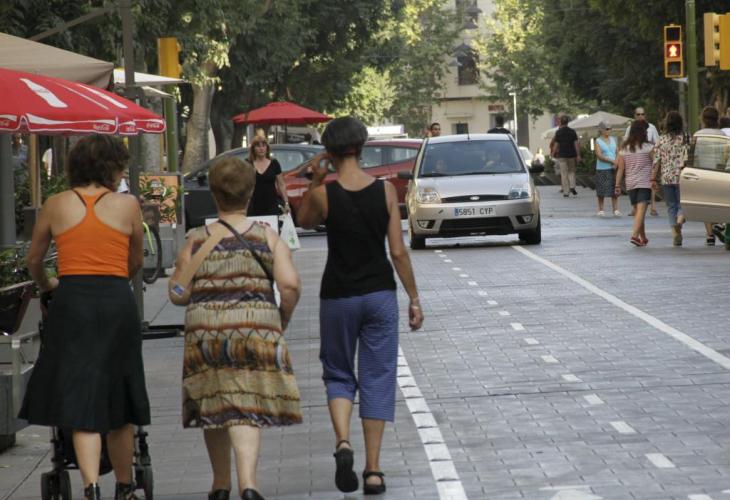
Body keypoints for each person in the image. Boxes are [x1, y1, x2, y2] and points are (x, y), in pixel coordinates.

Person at [296, 116, 423, 496]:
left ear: (329, 151)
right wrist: (414, 298)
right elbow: (397, 252)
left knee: (337, 373)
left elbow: (303, 221)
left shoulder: (324, 194)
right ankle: (373, 471)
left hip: (338, 295)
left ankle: (342, 442)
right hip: (379, 295)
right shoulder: (385, 192)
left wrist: (316, 179)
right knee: (378, 377)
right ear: (363, 147)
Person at [19, 135, 151, 500]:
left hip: (72, 301)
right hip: (115, 301)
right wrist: (115, 280)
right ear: (111, 167)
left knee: (80, 399)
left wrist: (48, 283)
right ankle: (124, 486)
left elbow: (34, 259)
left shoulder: (56, 204)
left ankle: (90, 487)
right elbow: (136, 259)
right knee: (119, 398)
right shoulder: (127, 205)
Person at [169, 157, 302, 500]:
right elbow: (289, 285)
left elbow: (177, 294)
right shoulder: (267, 237)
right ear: (250, 192)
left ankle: (220, 484)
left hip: (206, 334)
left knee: (214, 403)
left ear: (214, 194)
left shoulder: (196, 240)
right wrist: (281, 319)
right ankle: (249, 484)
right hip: (254, 330)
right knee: (246, 404)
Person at [651, 111, 689, 246]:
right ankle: (679, 222)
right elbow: (690, 157)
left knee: (671, 206)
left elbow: (656, 161)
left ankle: (675, 234)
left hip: (666, 178)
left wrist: (653, 179)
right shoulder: (686, 138)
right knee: (683, 204)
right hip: (682, 177)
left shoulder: (661, 140)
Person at [615, 121, 654, 246]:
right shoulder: (648, 148)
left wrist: (617, 185)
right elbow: (655, 163)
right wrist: (655, 178)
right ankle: (634, 236)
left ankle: (643, 237)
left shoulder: (624, 149)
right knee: (641, 210)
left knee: (638, 212)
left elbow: (620, 169)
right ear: (642, 132)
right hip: (644, 183)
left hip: (630, 184)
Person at [693, 106, 727, 246]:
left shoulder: (698, 135)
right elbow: (726, 154)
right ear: (717, 119)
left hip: (702, 173)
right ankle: (720, 224)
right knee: (721, 203)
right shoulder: (722, 135)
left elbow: (693, 156)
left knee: (705, 205)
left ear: (703, 119)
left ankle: (709, 235)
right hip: (719, 173)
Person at [625, 107, 660, 216]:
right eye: (638, 114)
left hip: (647, 156)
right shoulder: (630, 128)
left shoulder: (651, 127)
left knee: (650, 181)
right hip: (635, 157)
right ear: (635, 116)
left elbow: (657, 142)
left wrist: (652, 151)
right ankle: (635, 207)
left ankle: (653, 206)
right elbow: (626, 142)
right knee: (634, 183)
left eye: (643, 114)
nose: (641, 116)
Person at [247, 135, 289, 217]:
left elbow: (281, 185)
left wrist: (286, 203)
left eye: (263, 146)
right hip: (253, 205)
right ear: (253, 149)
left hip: (271, 205)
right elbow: (244, 185)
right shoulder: (248, 164)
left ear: (267, 148)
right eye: (258, 146)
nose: (261, 148)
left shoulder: (274, 163)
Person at [550, 115, 581, 197]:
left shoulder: (558, 132)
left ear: (561, 122)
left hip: (562, 155)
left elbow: (556, 144)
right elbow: (576, 144)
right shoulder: (572, 131)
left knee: (564, 173)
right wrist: (578, 155)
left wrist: (553, 153)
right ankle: (572, 186)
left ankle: (566, 192)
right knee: (571, 171)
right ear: (568, 122)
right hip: (571, 155)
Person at [593, 121, 620, 216]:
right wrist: (611, 161)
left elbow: (618, 152)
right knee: (601, 188)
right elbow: (599, 155)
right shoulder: (597, 141)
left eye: (610, 128)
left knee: (614, 187)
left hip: (613, 167)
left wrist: (616, 161)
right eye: (607, 129)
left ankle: (615, 209)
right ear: (601, 130)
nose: (609, 130)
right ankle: (601, 209)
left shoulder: (613, 139)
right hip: (602, 168)